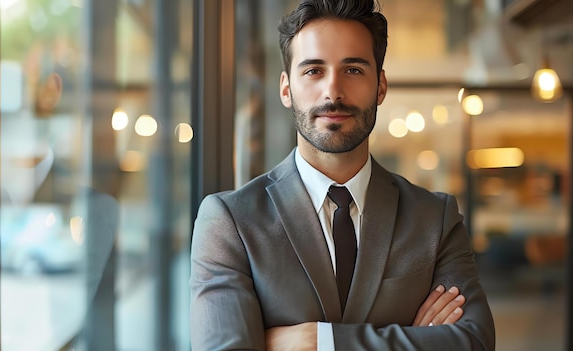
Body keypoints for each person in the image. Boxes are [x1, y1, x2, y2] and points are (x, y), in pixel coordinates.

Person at [189, 0, 496, 350]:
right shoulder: (230, 221)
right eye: (313, 71)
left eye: (353, 70)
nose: (333, 92)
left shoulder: (435, 219)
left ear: (380, 86)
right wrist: (416, 339)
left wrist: (318, 341)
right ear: (286, 88)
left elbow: (474, 342)